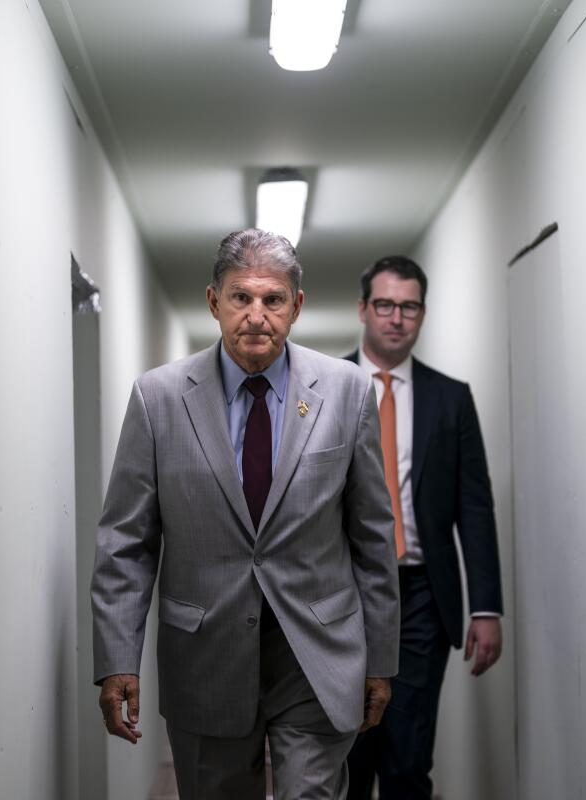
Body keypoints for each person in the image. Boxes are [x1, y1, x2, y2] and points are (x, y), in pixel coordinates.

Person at [91, 229, 401, 800]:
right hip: (206, 654)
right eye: (241, 298)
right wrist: (118, 660)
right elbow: (126, 544)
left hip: (316, 651)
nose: (256, 316)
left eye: (273, 300)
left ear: (296, 307)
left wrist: (381, 658)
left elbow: (372, 537)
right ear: (214, 302)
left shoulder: (346, 392)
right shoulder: (158, 399)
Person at [345, 255, 505, 800]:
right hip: (340, 594)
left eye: (408, 307)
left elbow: (475, 506)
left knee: (407, 757)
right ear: (363, 309)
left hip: (419, 596)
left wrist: (486, 607)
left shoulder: (450, 398)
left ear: (422, 314)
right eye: (385, 305)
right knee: (346, 757)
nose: (396, 317)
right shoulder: (323, 388)